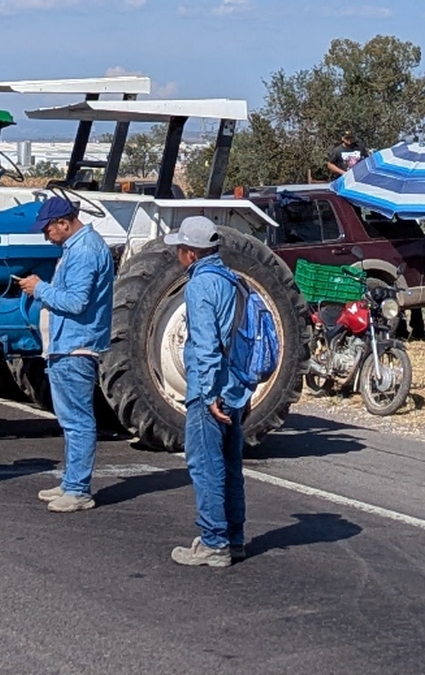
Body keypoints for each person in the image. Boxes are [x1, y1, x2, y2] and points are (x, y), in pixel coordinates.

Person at [18, 195, 114, 513]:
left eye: (48, 229)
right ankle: (72, 482)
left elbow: (75, 302)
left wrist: (39, 288)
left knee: (77, 421)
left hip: (75, 346)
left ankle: (78, 490)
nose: (46, 236)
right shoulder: (78, 247)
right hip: (68, 345)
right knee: (71, 420)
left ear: (64, 222)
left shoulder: (84, 251)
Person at [165, 216, 251, 568]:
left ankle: (214, 543)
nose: (177, 254)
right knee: (230, 465)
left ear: (190, 252)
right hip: (236, 386)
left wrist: (209, 392)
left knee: (205, 465)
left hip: (210, 390)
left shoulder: (200, 285)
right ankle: (235, 537)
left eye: (179, 248)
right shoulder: (235, 280)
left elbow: (205, 345)